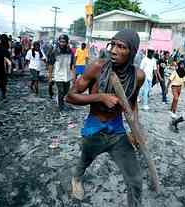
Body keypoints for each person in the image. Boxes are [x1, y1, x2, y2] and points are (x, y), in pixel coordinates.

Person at [66, 29, 144, 207]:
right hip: (95, 128)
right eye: (113, 44)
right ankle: (76, 179)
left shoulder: (138, 76)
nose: (114, 50)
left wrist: (136, 129)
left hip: (117, 131)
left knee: (135, 180)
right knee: (85, 160)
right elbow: (70, 96)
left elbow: (132, 103)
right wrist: (100, 97)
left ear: (132, 52)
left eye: (121, 47)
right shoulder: (97, 67)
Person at [47, 35, 75, 112]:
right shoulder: (54, 51)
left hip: (67, 75)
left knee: (66, 91)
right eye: (61, 41)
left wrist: (73, 75)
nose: (62, 43)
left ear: (67, 42)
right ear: (58, 41)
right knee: (61, 91)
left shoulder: (70, 52)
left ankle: (60, 100)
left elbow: (72, 64)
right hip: (58, 75)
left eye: (64, 42)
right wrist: (50, 76)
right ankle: (60, 107)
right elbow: (51, 65)